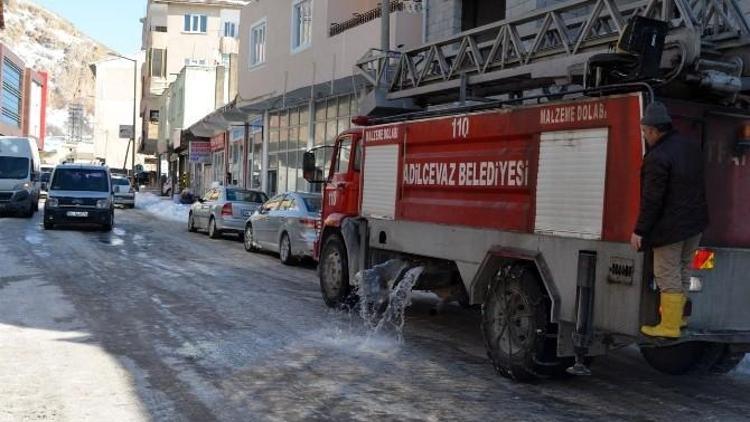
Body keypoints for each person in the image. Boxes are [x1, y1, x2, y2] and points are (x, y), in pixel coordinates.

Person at [631, 102, 709, 338]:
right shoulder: (689, 147)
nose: (644, 136)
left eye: (645, 132)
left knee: (667, 274)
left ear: (654, 130)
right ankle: (680, 319)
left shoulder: (657, 157)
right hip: (694, 224)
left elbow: (652, 199)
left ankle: (669, 326)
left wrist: (640, 230)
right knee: (684, 270)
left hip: (671, 227)